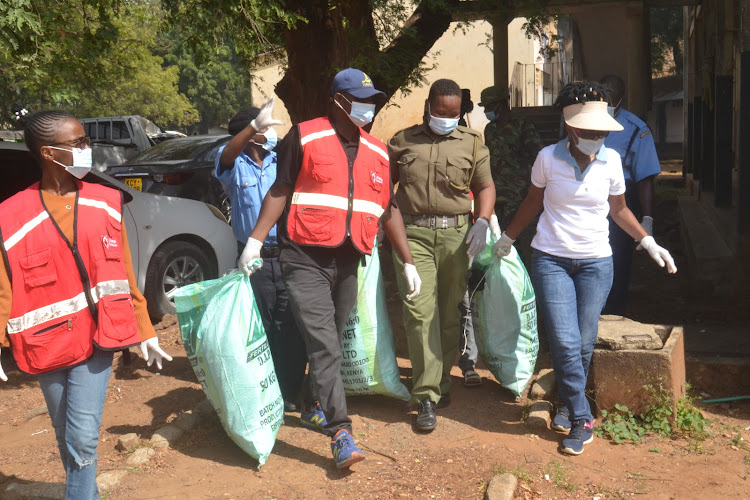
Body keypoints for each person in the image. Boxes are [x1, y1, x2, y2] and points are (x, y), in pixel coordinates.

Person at [239, 68, 420, 469]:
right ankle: (340, 432)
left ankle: (309, 401)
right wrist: (255, 239)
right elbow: (280, 189)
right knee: (325, 346)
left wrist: (406, 261)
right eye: (361, 99)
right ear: (338, 100)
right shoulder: (305, 136)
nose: (368, 107)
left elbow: (387, 210)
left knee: (330, 340)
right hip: (303, 258)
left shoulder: (377, 151)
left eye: (372, 100)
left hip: (348, 261)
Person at [493, 82, 677, 456]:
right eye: (590, 132)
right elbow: (533, 201)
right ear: (572, 129)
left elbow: (619, 209)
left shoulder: (610, 161)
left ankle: (564, 402)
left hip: (597, 263)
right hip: (551, 259)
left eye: (602, 132)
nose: (597, 138)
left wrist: (647, 239)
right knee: (563, 339)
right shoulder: (547, 158)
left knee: (582, 341)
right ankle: (581, 416)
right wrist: (507, 238)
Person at [0, 110, 172, 498]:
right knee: (66, 438)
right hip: (46, 342)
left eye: (85, 141)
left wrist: (143, 328)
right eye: (77, 143)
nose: (87, 149)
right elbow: (4, 285)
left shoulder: (107, 201)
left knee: (82, 438)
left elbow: (125, 273)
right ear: (48, 153)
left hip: (98, 338)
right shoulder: (10, 216)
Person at [388, 78, 496, 432]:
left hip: (456, 236)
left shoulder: (474, 144)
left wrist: (482, 221)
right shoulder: (402, 142)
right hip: (414, 234)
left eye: (454, 113)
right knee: (420, 313)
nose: (446, 118)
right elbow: (384, 188)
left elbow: (485, 186)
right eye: (440, 112)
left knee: (451, 315)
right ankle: (425, 396)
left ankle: (442, 382)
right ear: (428, 107)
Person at [216, 103, 308, 413]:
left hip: (290, 253)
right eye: (264, 129)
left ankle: (293, 387)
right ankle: (273, 390)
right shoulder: (234, 165)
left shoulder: (281, 160)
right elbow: (227, 155)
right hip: (255, 259)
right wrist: (254, 125)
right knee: (265, 325)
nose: (270, 133)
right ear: (251, 134)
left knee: (292, 322)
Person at [599, 74, 663, 316]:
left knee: (617, 261)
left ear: (621, 100)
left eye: (610, 100)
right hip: (589, 201)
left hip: (620, 200)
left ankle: (613, 313)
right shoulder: (584, 123)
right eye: (602, 99)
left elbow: (645, 177)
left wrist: (648, 219)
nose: (606, 105)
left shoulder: (636, 130)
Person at [479, 84, 543, 263]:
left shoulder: (522, 125)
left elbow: (538, 156)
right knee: (497, 240)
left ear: (501, 104)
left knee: (520, 243)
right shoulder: (489, 129)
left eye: (489, 106)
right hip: (496, 195)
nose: (487, 110)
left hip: (518, 196)